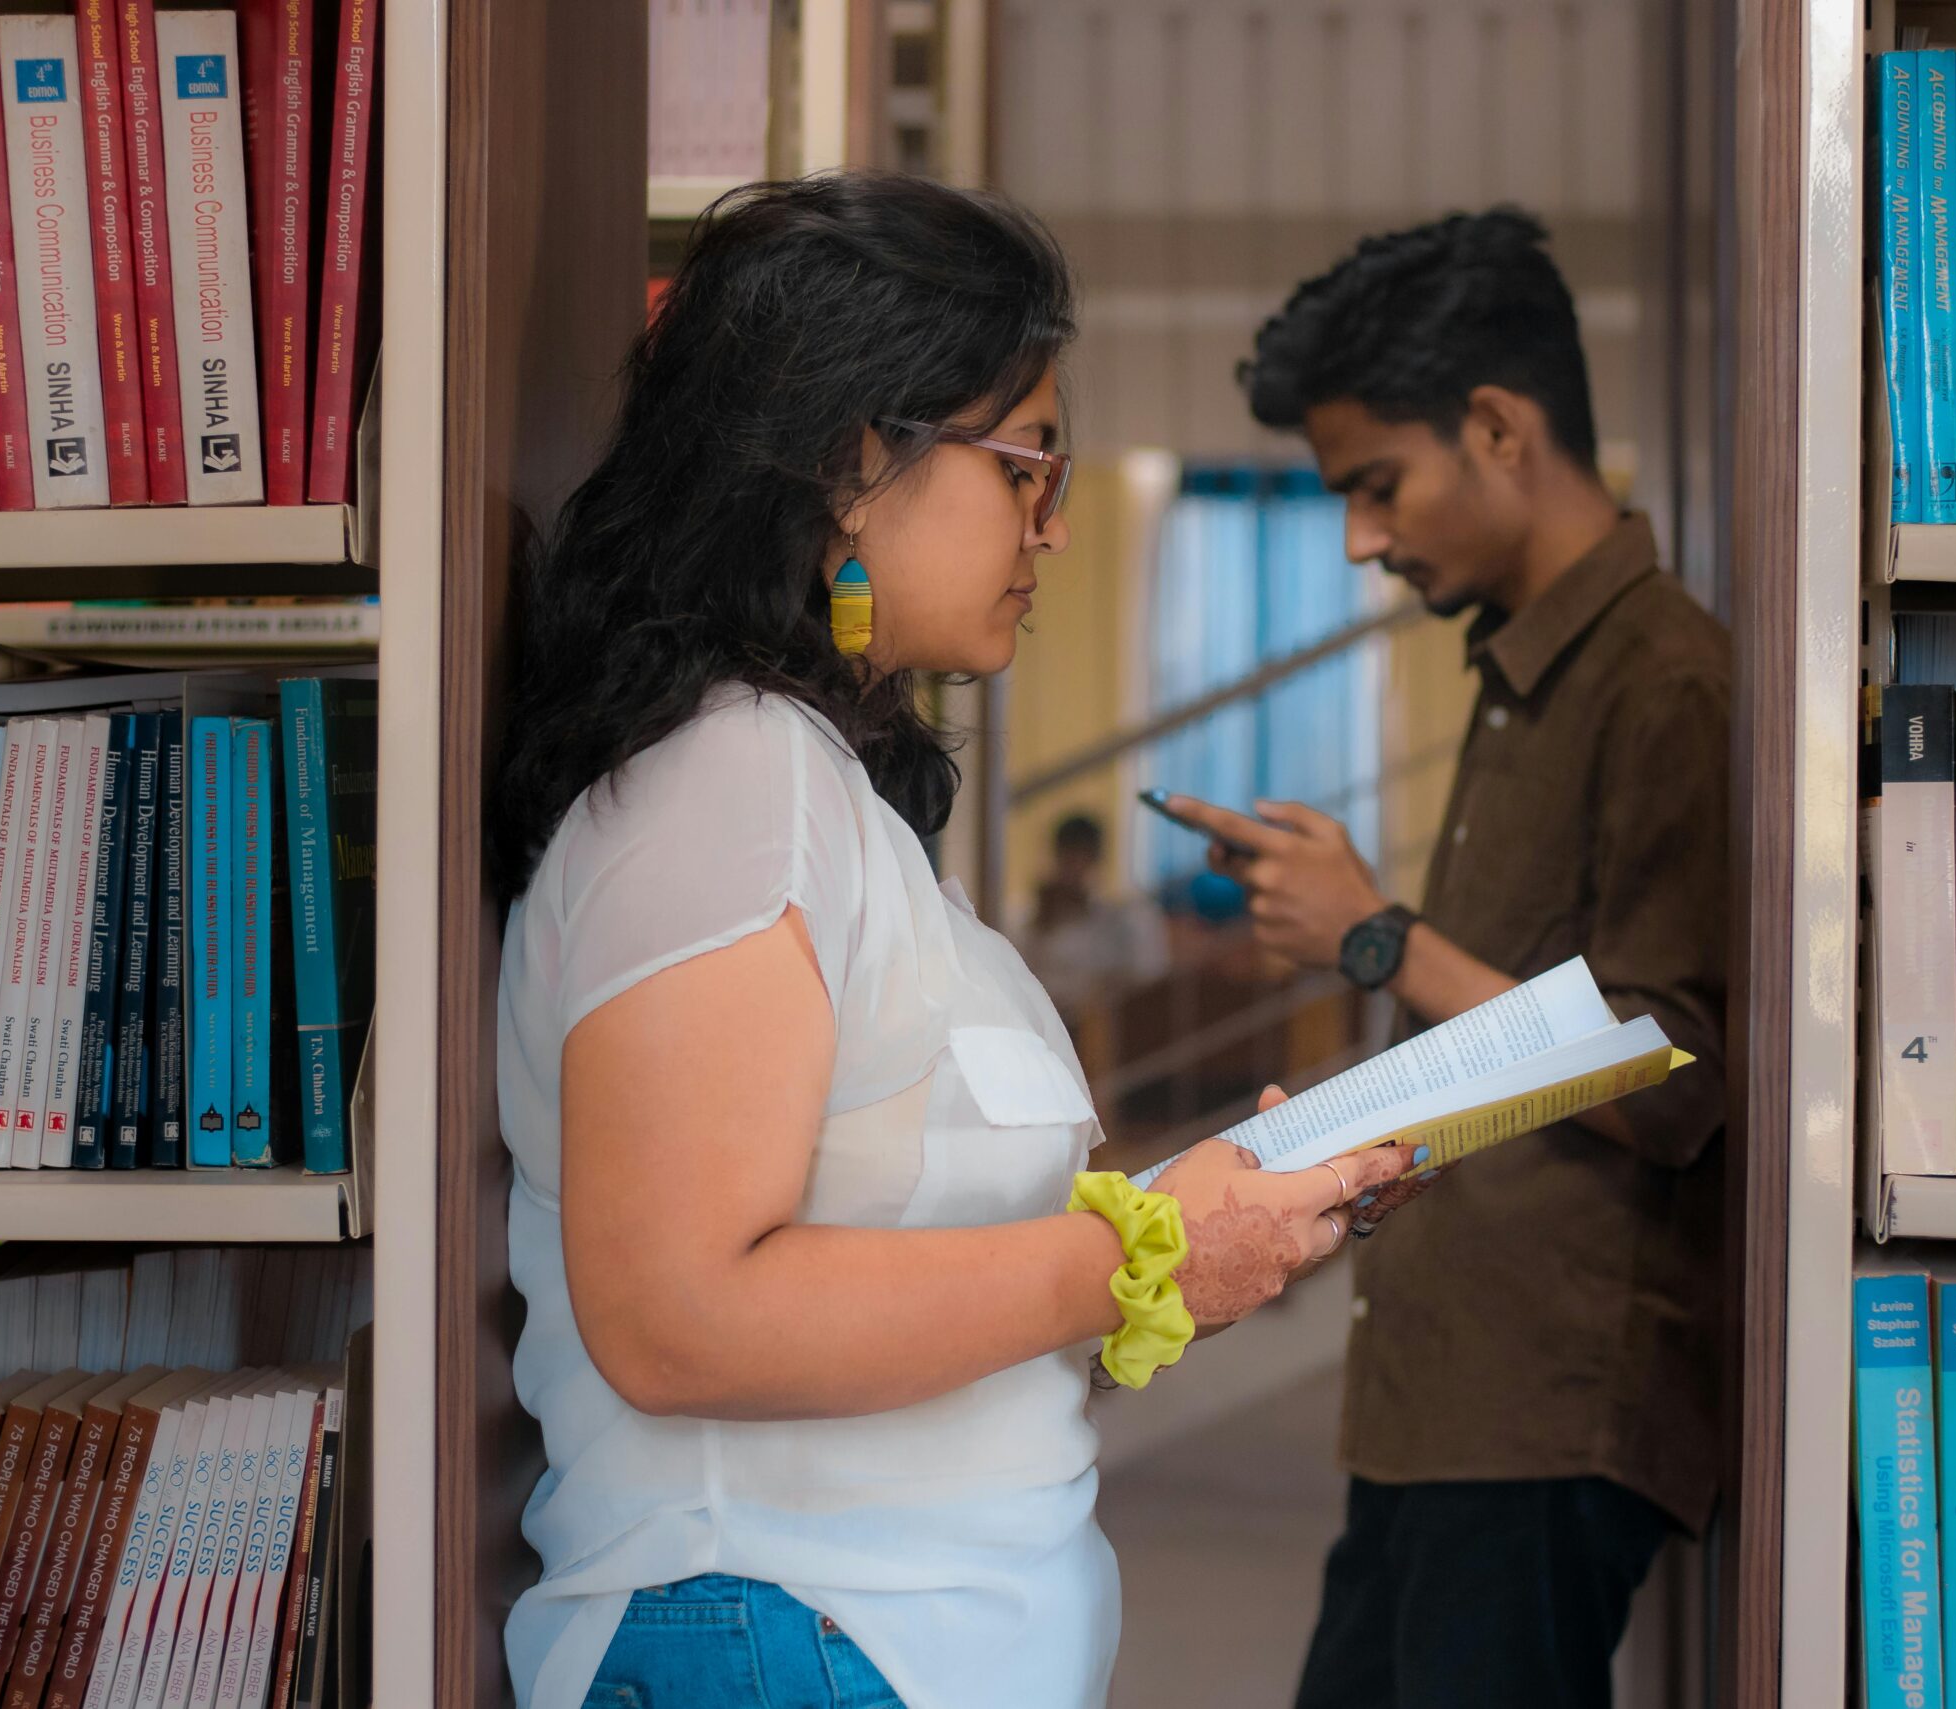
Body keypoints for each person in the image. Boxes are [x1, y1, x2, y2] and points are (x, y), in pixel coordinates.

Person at [486, 174, 1418, 1709]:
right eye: (1029, 462)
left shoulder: (818, 786)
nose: (1050, 523)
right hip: (784, 1637)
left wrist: (1196, 1249)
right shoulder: (731, 781)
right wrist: (1145, 1248)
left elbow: (888, 1277)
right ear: (860, 461)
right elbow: (679, 1316)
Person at [1162, 208, 1730, 1708]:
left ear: (1497, 426)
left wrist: (1380, 938)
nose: (1361, 539)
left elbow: (1672, 1067)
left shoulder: (1668, 675)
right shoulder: (1523, 668)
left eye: (1376, 486)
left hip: (1543, 1410)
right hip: (1447, 1392)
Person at [1008, 811, 1170, 1016]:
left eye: (1082, 857)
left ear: (1095, 859)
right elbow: (1019, 979)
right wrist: (1042, 925)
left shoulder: (1124, 920)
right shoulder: (1033, 919)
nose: (1075, 869)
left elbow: (1147, 976)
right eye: (1069, 858)